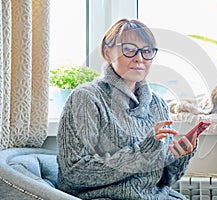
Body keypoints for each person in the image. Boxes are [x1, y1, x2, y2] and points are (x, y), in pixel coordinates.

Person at [57, 18, 198, 200]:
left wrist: (179, 156)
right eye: (129, 49)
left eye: (147, 51)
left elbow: (163, 180)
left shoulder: (158, 105)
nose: (139, 58)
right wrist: (144, 152)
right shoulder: (86, 98)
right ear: (107, 52)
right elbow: (74, 173)